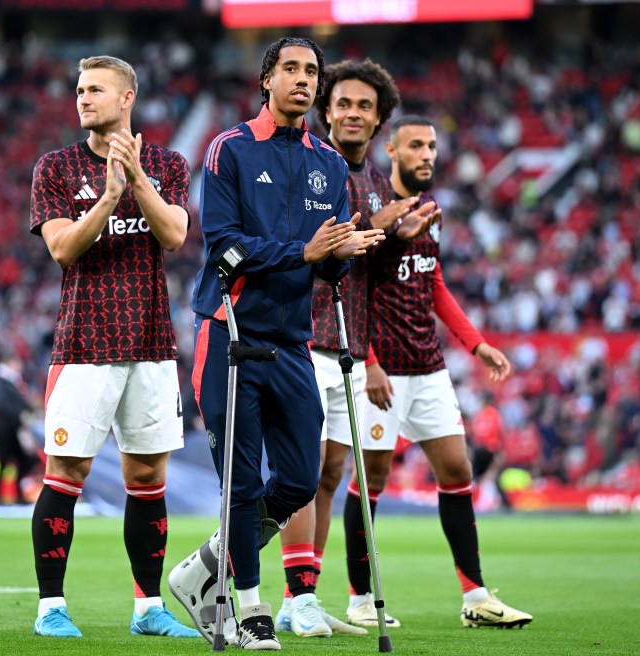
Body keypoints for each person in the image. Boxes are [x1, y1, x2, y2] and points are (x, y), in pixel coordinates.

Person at [168, 37, 385, 651]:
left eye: (311, 71)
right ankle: (249, 607)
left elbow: (328, 268)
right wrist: (306, 251)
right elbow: (224, 249)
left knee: (298, 481)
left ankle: (209, 563)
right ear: (267, 80)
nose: (303, 79)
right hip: (230, 333)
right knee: (238, 483)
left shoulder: (329, 165)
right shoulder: (230, 149)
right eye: (290, 69)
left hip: (292, 344)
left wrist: (341, 257)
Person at [28, 55, 198, 640]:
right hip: (82, 343)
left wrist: (137, 178)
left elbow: (175, 235)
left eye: (95, 89)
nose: (83, 98)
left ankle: (148, 608)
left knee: (148, 474)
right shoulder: (55, 167)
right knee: (66, 470)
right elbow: (62, 251)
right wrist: (107, 197)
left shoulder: (169, 163)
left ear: (127, 98)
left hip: (151, 343)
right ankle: (51, 608)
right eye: (79, 89)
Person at [349, 115, 532, 628]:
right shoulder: (374, 212)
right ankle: (359, 599)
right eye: (416, 146)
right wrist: (368, 362)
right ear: (392, 150)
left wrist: (476, 345)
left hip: (428, 366)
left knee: (457, 471)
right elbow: (353, 291)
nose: (427, 154)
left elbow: (434, 285)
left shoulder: (431, 212)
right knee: (373, 479)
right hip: (381, 370)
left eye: (431, 145)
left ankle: (476, 597)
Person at [271, 58, 433, 637]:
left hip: (350, 344)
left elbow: (366, 267)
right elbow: (307, 247)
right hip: (305, 337)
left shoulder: (369, 179)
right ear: (326, 110)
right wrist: (380, 227)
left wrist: (393, 236)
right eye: (342, 103)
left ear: (380, 117)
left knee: (329, 475)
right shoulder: (311, 164)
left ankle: (301, 599)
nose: (353, 113)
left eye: (365, 105)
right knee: (301, 472)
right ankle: (292, 591)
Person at [0, 353, 37, 506]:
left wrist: (30, 410)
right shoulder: (0, 381)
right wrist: (21, 415)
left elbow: (18, 403)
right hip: (3, 429)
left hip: (13, 428)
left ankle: (16, 495)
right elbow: (3, 404)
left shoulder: (11, 382)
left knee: (23, 459)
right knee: (4, 460)